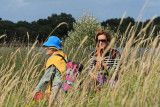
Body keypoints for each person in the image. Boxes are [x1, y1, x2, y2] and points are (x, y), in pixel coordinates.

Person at [31, 36, 67, 104]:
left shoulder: (54, 59)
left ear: (53, 48)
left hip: (56, 91)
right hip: (64, 88)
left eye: (48, 46)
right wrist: (48, 89)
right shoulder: (63, 57)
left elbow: (45, 78)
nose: (46, 49)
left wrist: (35, 91)